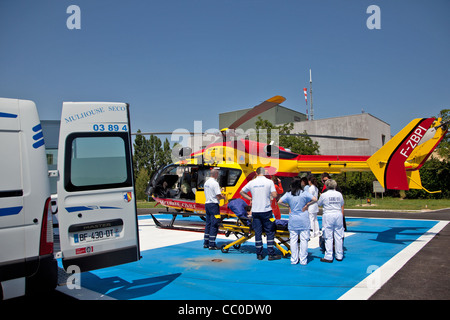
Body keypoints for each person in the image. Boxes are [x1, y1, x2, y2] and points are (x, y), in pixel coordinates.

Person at [240, 167, 281, 261]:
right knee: (270, 231)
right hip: (266, 210)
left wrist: (250, 198)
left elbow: (242, 192)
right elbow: (275, 195)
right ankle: (271, 254)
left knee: (258, 232)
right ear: (264, 172)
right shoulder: (269, 182)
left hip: (255, 211)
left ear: (256, 173)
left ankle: (259, 254)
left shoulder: (252, 182)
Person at [278, 179, 317, 265]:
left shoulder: (289, 194)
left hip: (293, 219)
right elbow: (315, 199)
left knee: (293, 240)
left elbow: (279, 201)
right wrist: (307, 205)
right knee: (304, 240)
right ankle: (303, 260)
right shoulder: (304, 193)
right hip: (303, 219)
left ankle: (294, 259)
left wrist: (288, 205)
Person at [317, 179, 345, 262]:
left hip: (328, 215)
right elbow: (341, 203)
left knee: (328, 236)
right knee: (339, 235)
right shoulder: (339, 194)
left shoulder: (324, 195)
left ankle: (329, 255)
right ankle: (339, 255)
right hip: (338, 214)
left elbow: (319, 204)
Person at [203, 169, 225, 250]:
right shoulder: (215, 183)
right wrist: (223, 197)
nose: (218, 175)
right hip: (214, 205)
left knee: (208, 223)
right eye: (218, 174)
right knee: (214, 224)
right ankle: (212, 244)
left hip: (207, 204)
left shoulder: (206, 182)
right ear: (215, 174)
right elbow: (218, 196)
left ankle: (206, 242)